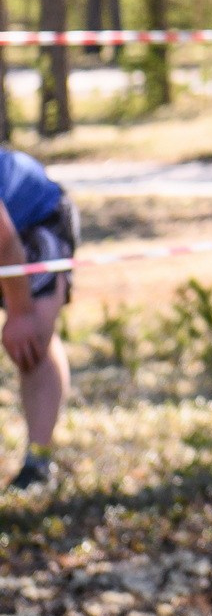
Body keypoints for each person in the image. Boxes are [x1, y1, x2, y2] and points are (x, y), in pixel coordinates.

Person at [0, 147, 79, 490]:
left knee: (30, 344)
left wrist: (20, 313)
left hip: (34, 221)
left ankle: (38, 463)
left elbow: (4, 241)